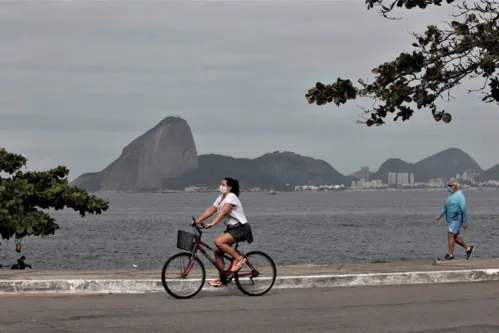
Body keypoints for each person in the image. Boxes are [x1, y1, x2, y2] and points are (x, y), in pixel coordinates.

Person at [194, 177, 253, 288]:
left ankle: (239, 258)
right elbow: (211, 210)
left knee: (219, 242)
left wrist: (212, 223)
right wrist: (197, 221)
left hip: (240, 228)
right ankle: (223, 280)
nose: (220, 186)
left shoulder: (232, 197)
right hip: (232, 229)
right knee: (218, 252)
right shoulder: (221, 197)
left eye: (223, 184)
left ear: (229, 187)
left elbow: (225, 211)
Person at [435, 178, 474, 260]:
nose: (448, 187)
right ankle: (468, 248)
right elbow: (445, 208)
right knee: (454, 237)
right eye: (448, 186)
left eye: (450, 186)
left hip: (456, 219)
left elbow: (463, 209)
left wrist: (464, 221)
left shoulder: (460, 196)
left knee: (450, 235)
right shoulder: (450, 196)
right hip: (450, 220)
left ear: (455, 186)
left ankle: (450, 255)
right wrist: (439, 215)